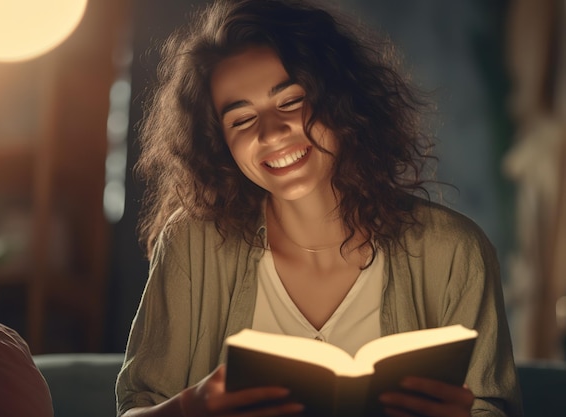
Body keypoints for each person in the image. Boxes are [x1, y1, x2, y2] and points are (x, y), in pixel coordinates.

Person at [116, 1, 523, 416]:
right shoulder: (192, 242)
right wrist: (191, 408)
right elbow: (136, 408)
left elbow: (492, 407)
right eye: (241, 121)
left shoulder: (455, 251)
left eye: (290, 101)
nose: (271, 132)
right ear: (219, 143)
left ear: (341, 100)